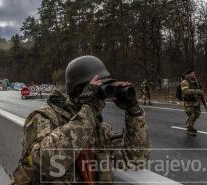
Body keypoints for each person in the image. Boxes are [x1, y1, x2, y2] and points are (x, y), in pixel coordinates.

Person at [12, 56, 150, 184]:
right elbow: (45, 163)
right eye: (98, 89)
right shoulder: (44, 118)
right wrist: (88, 108)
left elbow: (134, 160)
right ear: (79, 90)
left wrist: (133, 111)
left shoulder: (99, 129)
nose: (102, 99)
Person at [181, 70, 203, 136]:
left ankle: (191, 126)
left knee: (197, 114)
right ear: (188, 74)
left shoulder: (195, 81)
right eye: (192, 73)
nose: (194, 74)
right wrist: (197, 91)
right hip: (188, 102)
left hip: (196, 102)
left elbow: (199, 89)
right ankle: (189, 129)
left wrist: (200, 92)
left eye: (194, 73)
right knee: (191, 115)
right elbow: (185, 91)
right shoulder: (185, 81)